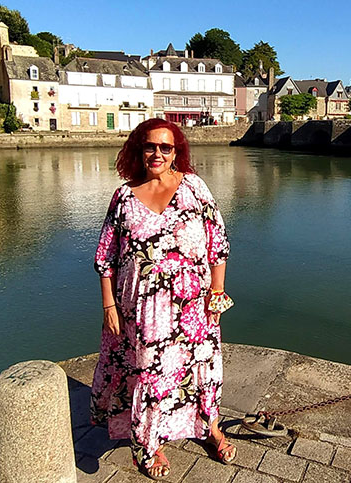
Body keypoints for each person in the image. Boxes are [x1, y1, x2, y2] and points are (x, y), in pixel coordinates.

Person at [91, 118, 235, 479]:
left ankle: (209, 428)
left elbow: (217, 244)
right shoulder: (124, 196)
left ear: (176, 152)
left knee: (201, 368)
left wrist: (216, 294)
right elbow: (106, 258)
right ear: (138, 150)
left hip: (193, 305)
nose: (157, 153)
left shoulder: (195, 188)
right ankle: (149, 442)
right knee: (150, 376)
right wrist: (109, 305)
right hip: (141, 310)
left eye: (165, 147)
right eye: (150, 146)